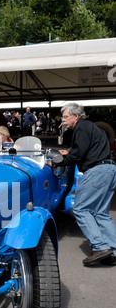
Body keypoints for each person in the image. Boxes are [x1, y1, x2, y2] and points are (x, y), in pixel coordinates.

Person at [53, 102, 116, 266]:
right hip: (109, 169)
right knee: (101, 212)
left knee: (81, 208)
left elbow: (78, 154)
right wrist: (70, 153)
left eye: (66, 117)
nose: (64, 120)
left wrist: (57, 161)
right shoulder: (92, 128)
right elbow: (83, 150)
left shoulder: (81, 128)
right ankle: (114, 251)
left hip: (96, 171)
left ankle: (100, 246)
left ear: (76, 116)